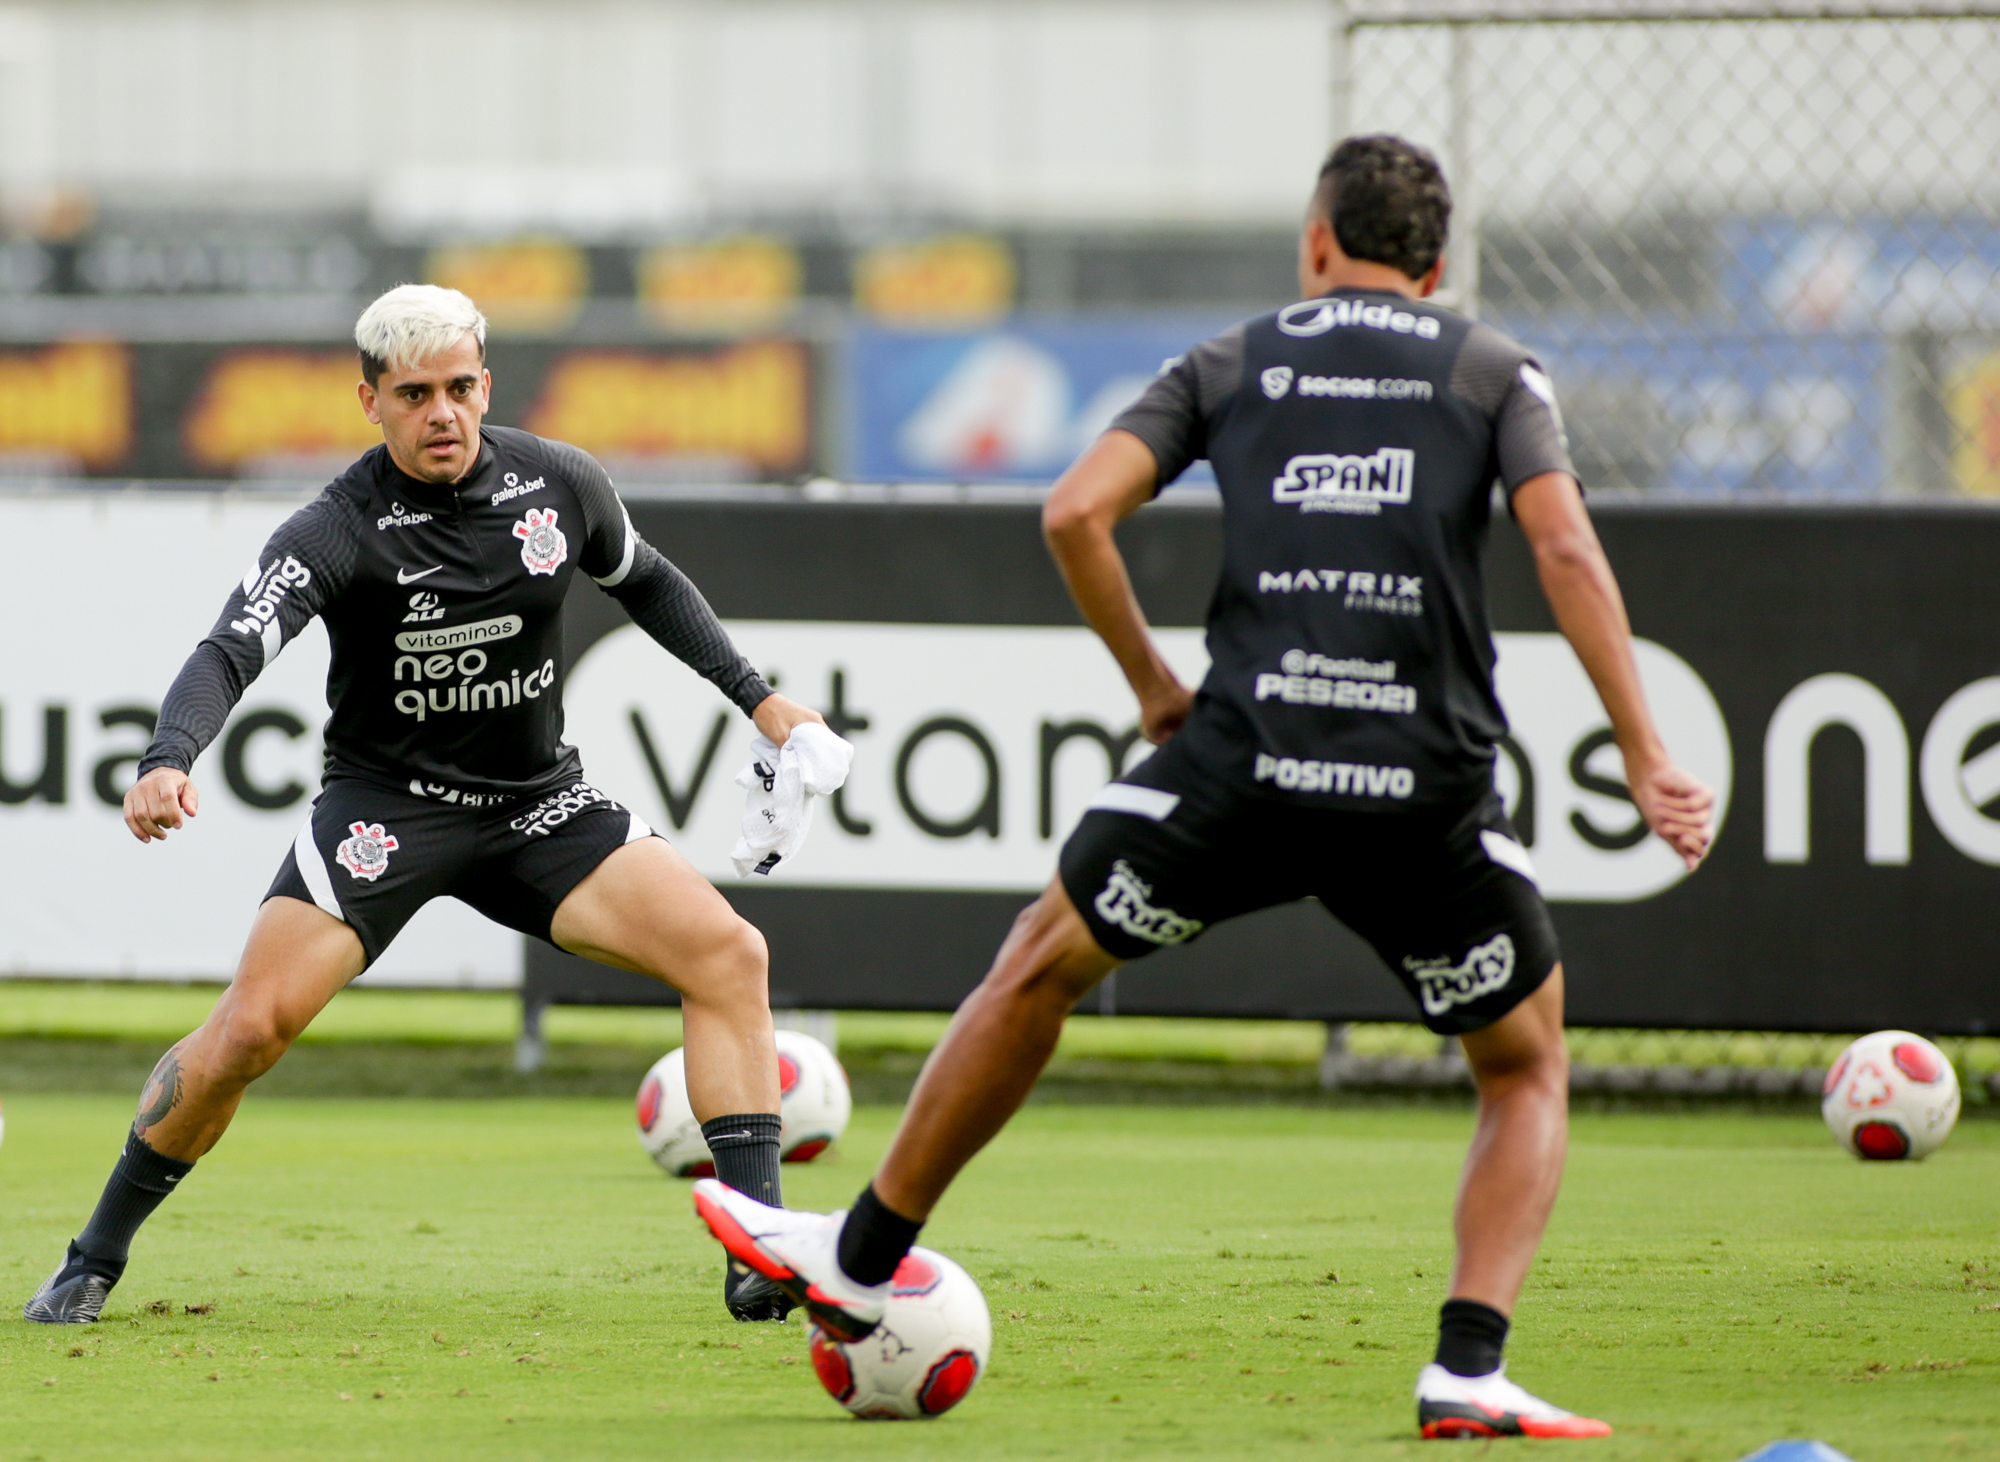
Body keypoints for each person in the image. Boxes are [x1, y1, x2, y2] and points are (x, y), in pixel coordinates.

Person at [692, 136, 1715, 1439]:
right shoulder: (1491, 368)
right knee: (1523, 1067)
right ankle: (1467, 1364)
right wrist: (1644, 747)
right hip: (1424, 788)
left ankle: (867, 1244)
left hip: (1242, 763)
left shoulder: (1239, 355)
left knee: (1037, 967)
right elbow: (1563, 538)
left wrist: (1154, 690)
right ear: (1438, 263)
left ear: (1315, 242)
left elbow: (1073, 514)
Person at [27, 284, 817, 1327]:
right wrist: (169, 755)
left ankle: (758, 1251)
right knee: (249, 1032)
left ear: (485, 383)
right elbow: (230, 646)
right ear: (370, 401)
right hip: (386, 815)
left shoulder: (560, 483)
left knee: (730, 955)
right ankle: (94, 1254)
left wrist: (761, 702)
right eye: (412, 394)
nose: (440, 412)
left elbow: (649, 583)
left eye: (457, 388)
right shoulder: (337, 527)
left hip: (540, 805)